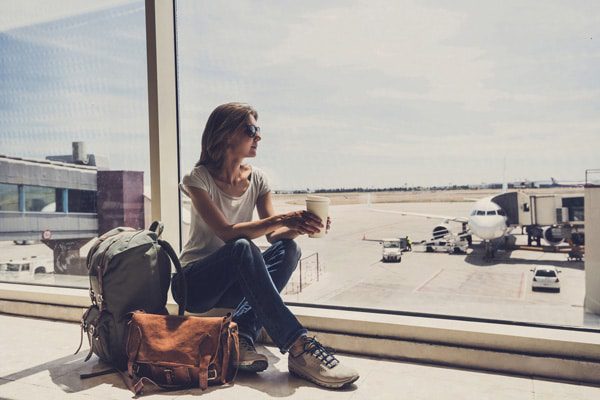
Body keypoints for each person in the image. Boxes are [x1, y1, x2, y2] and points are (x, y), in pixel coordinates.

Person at [172, 102, 359, 389]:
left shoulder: (257, 178)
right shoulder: (197, 179)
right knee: (243, 246)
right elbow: (226, 232)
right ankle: (298, 345)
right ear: (225, 135)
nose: (258, 136)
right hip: (194, 284)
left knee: (289, 249)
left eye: (258, 130)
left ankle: (242, 336)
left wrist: (300, 227)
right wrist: (286, 217)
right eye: (251, 129)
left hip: (235, 281)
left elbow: (274, 235)